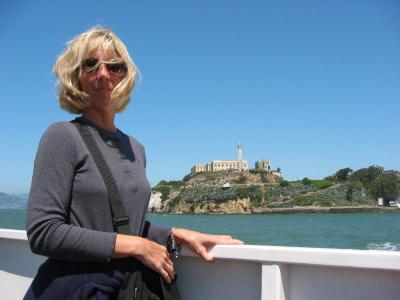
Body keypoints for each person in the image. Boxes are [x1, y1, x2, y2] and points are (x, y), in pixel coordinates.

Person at [24, 26, 242, 299]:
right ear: (76, 76)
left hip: (126, 288)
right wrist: (138, 247)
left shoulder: (136, 149)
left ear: (125, 77)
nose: (103, 74)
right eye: (90, 64)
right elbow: (43, 232)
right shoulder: (62, 136)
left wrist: (176, 234)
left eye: (114, 66)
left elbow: (126, 225)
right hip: (80, 289)